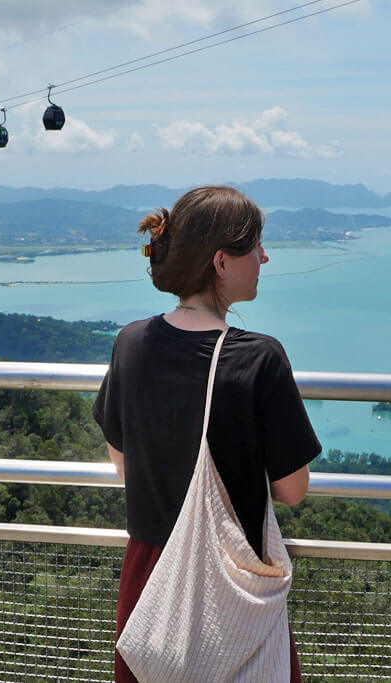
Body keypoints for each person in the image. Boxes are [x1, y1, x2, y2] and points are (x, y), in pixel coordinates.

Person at [92, 185, 322, 682]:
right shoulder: (259, 357)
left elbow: (122, 459)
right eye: (255, 246)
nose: (264, 256)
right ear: (222, 262)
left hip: (147, 577)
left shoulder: (130, 342)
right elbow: (292, 489)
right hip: (226, 591)